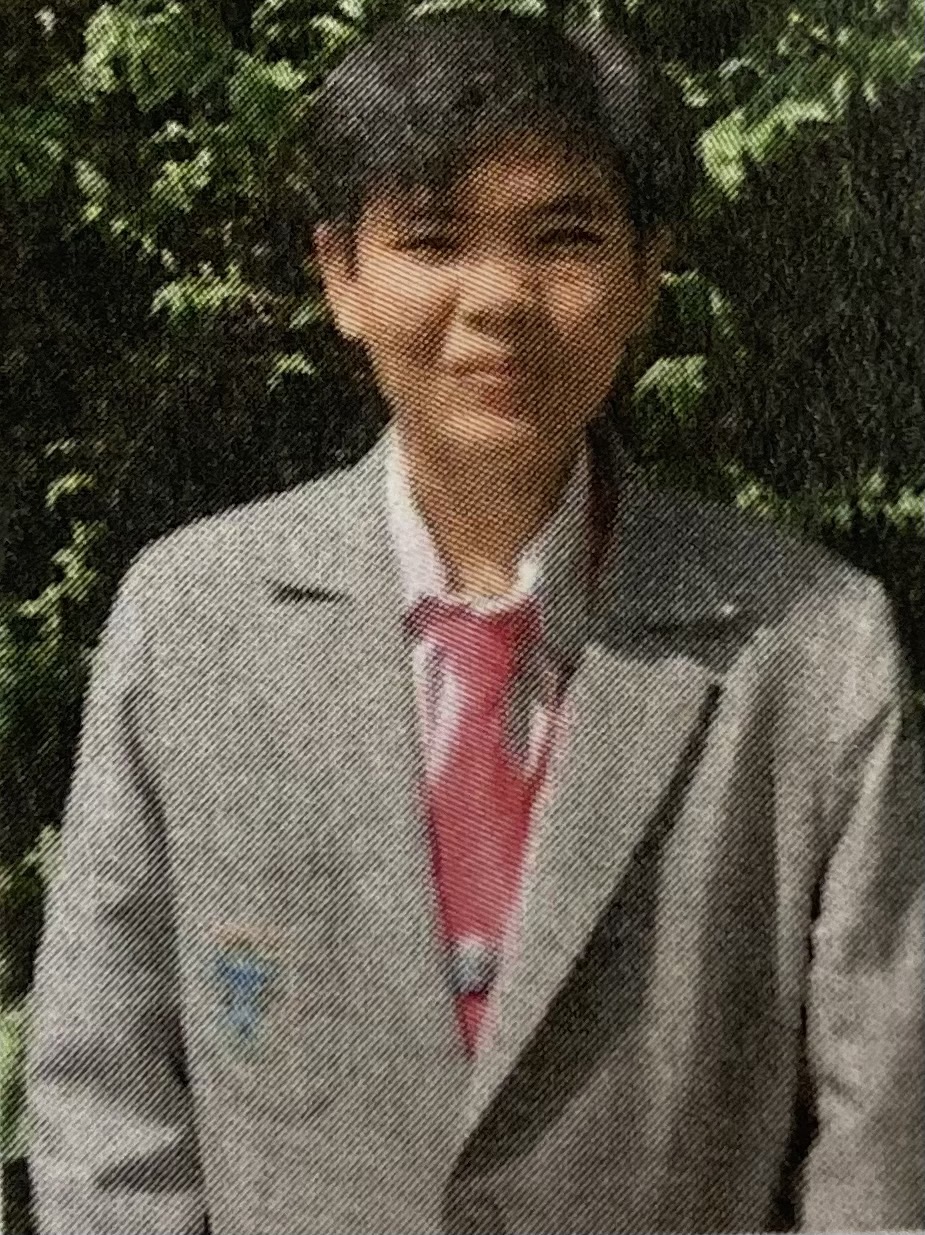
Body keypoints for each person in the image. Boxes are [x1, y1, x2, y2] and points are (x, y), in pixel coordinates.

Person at [26, 11, 923, 1235]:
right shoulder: (191, 620)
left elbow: (881, 1141)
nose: (498, 297)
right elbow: (102, 1098)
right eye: (432, 239)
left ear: (645, 273)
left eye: (564, 238)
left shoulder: (810, 648)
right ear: (341, 275)